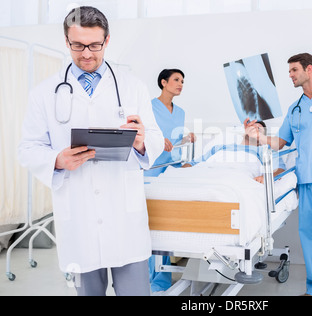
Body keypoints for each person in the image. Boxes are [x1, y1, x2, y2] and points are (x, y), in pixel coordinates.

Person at [17, 6, 164, 296]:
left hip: (124, 217)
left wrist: (141, 141)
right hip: (79, 217)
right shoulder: (44, 94)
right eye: (78, 45)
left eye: (95, 45)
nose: (86, 53)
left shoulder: (132, 87)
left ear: (107, 40)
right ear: (66, 41)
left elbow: (156, 138)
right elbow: (28, 148)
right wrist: (56, 160)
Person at [245, 53, 312, 296]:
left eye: (294, 70)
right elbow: (280, 142)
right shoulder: (295, 109)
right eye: (290, 72)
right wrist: (258, 136)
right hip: (305, 181)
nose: (291, 76)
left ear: (309, 68)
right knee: (311, 240)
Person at [144, 69, 195, 294]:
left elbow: (173, 147)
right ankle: (145, 280)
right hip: (147, 173)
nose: (180, 84)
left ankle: (161, 281)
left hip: (166, 174)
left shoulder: (181, 112)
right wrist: (155, 139)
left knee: (161, 229)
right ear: (163, 82)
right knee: (147, 230)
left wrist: (184, 142)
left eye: (182, 81)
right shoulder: (148, 107)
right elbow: (140, 135)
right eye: (176, 80)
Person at [183, 121, 285, 182]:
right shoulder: (219, 147)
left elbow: (280, 170)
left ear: (262, 139)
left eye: (259, 129)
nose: (255, 129)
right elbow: (193, 164)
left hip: (237, 179)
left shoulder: (264, 150)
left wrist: (265, 178)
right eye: (252, 127)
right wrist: (179, 172)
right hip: (207, 177)